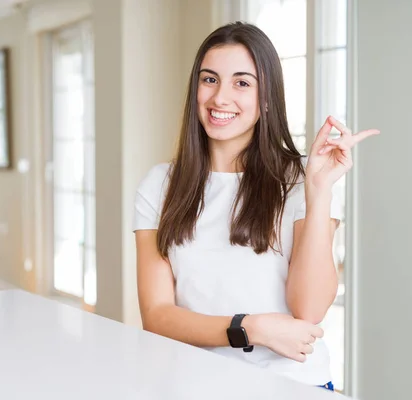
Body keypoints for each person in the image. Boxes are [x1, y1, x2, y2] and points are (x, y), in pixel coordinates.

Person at [132, 21, 379, 390]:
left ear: (266, 98)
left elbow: (308, 310)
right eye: (209, 79)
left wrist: (318, 191)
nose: (220, 98)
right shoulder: (160, 185)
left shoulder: (302, 179)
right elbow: (157, 316)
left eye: (242, 82)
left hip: (291, 385)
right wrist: (250, 328)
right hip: (195, 385)